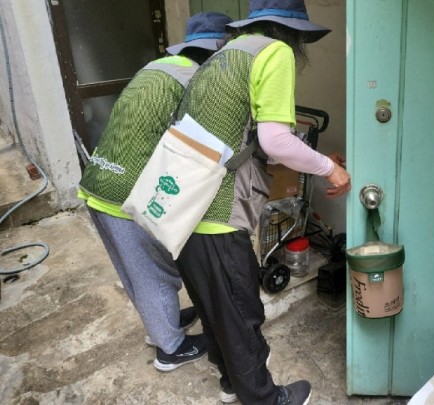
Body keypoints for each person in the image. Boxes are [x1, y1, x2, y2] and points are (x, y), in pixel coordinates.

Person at [173, 1, 351, 403]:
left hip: (183, 206)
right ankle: (267, 399)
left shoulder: (226, 54)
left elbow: (246, 138)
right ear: (292, 30)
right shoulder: (276, 52)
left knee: (211, 303)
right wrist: (329, 169)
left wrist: (314, 156)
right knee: (241, 311)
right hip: (217, 213)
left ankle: (229, 382)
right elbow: (275, 141)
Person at [77, 12, 233, 372]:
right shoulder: (194, 80)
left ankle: (163, 325)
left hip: (100, 178)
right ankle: (170, 348)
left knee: (134, 271)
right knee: (154, 273)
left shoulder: (156, 68)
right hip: (125, 193)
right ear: (212, 53)